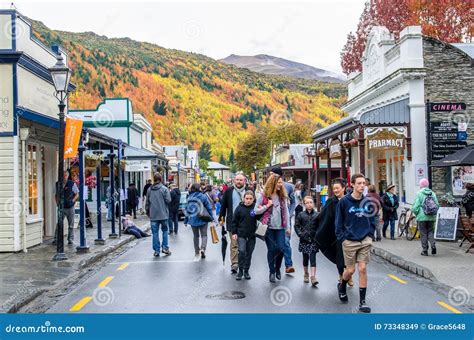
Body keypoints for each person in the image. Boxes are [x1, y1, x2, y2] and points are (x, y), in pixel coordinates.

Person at [336, 174, 374, 313]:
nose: (362, 185)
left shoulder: (368, 201)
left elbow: (373, 219)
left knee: (362, 268)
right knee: (350, 270)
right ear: (352, 184)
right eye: (359, 183)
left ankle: (362, 302)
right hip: (349, 240)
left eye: (364, 183)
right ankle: (342, 285)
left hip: (364, 240)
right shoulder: (344, 202)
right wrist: (343, 238)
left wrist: (370, 234)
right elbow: (338, 222)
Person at [314, 178, 352, 286]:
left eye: (337, 188)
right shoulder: (331, 201)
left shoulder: (350, 200)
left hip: (350, 234)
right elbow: (323, 216)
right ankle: (342, 276)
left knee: (350, 257)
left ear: (343, 188)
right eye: (334, 188)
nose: (335, 190)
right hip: (337, 234)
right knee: (339, 256)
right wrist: (315, 226)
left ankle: (349, 275)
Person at [255, 174, 291, 283]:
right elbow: (255, 211)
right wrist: (267, 205)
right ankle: (271, 272)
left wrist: (288, 227)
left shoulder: (282, 196)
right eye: (279, 182)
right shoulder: (264, 196)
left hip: (280, 227)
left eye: (281, 182)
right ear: (273, 183)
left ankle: (277, 268)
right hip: (268, 227)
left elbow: (286, 212)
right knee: (271, 249)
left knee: (280, 248)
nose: (281, 184)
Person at [218, 174, 247, 273]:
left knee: (244, 245)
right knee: (234, 244)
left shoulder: (248, 191)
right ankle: (234, 264)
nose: (239, 181)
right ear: (234, 180)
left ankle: (244, 263)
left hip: (245, 223)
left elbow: (254, 206)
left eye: (241, 180)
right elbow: (223, 206)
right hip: (232, 222)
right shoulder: (229, 191)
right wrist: (221, 219)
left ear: (244, 181)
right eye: (237, 180)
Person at [270, 166, 296, 274]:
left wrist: (289, 213)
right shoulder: (269, 186)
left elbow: (294, 202)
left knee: (286, 242)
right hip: (273, 220)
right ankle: (276, 265)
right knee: (276, 244)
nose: (271, 176)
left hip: (285, 219)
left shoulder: (289, 186)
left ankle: (288, 265)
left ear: (279, 175)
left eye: (273, 174)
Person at [231, 190, 258, 280]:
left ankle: (246, 271)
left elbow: (260, 217)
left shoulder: (255, 208)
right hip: (241, 234)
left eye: (250, 199)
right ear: (243, 199)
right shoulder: (239, 208)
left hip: (252, 235)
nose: (248, 200)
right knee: (242, 252)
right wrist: (234, 233)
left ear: (253, 199)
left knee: (249, 253)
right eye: (247, 198)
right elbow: (234, 221)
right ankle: (240, 271)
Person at [185, 183, 214, 259]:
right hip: (203, 218)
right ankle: (203, 249)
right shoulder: (203, 196)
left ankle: (196, 252)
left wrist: (186, 220)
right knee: (204, 235)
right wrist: (212, 217)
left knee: (195, 236)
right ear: (199, 188)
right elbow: (208, 207)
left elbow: (187, 209)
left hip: (192, 219)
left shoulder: (189, 197)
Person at [295, 196, 319, 286]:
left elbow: (320, 226)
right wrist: (300, 234)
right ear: (304, 204)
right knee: (305, 258)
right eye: (307, 203)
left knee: (313, 258)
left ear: (313, 203)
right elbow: (296, 226)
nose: (309, 204)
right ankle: (306, 274)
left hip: (313, 240)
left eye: (311, 202)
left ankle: (313, 277)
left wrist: (318, 235)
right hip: (304, 239)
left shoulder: (317, 215)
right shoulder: (301, 215)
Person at [146, 173, 172, 257]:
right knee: (165, 231)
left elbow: (147, 202)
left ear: (154, 179)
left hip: (153, 215)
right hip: (163, 214)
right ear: (161, 179)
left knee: (155, 233)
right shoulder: (164, 189)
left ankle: (156, 250)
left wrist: (148, 212)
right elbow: (168, 200)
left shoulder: (149, 189)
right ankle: (165, 248)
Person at [412, 178, 439, 256]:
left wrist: (417, 214)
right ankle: (433, 245)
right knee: (430, 231)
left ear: (420, 185)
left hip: (422, 217)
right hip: (431, 216)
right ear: (427, 185)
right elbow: (437, 205)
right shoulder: (432, 193)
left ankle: (425, 250)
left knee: (423, 233)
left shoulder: (419, 193)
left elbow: (415, 207)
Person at [54, 171, 79, 245]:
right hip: (61, 207)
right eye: (64, 175)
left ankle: (70, 239)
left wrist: (73, 200)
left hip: (70, 207)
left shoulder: (72, 184)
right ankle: (56, 238)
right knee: (59, 224)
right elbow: (55, 195)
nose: (65, 176)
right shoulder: (57, 184)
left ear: (68, 176)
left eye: (66, 175)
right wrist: (57, 203)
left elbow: (77, 194)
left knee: (71, 224)